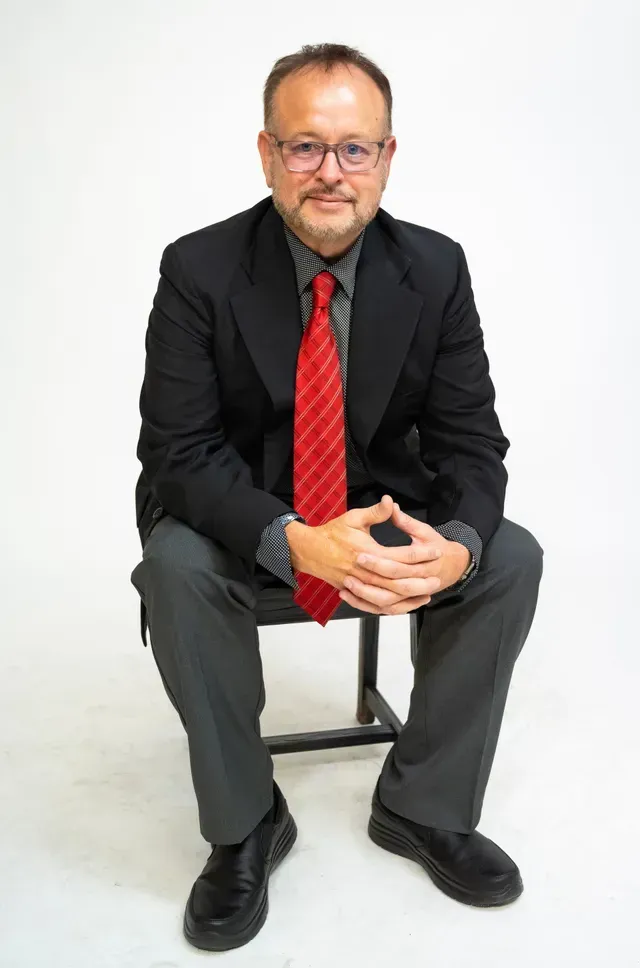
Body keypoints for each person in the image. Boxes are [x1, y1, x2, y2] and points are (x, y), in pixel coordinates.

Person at [130, 42, 544, 952]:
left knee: (511, 554)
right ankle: (243, 825)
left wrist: (462, 543)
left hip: (372, 514)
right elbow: (179, 454)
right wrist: (293, 541)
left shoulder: (435, 268)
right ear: (267, 153)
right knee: (172, 561)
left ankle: (423, 805)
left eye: (354, 149)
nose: (331, 173)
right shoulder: (197, 269)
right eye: (306, 147)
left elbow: (474, 442)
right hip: (235, 515)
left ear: (388, 157)